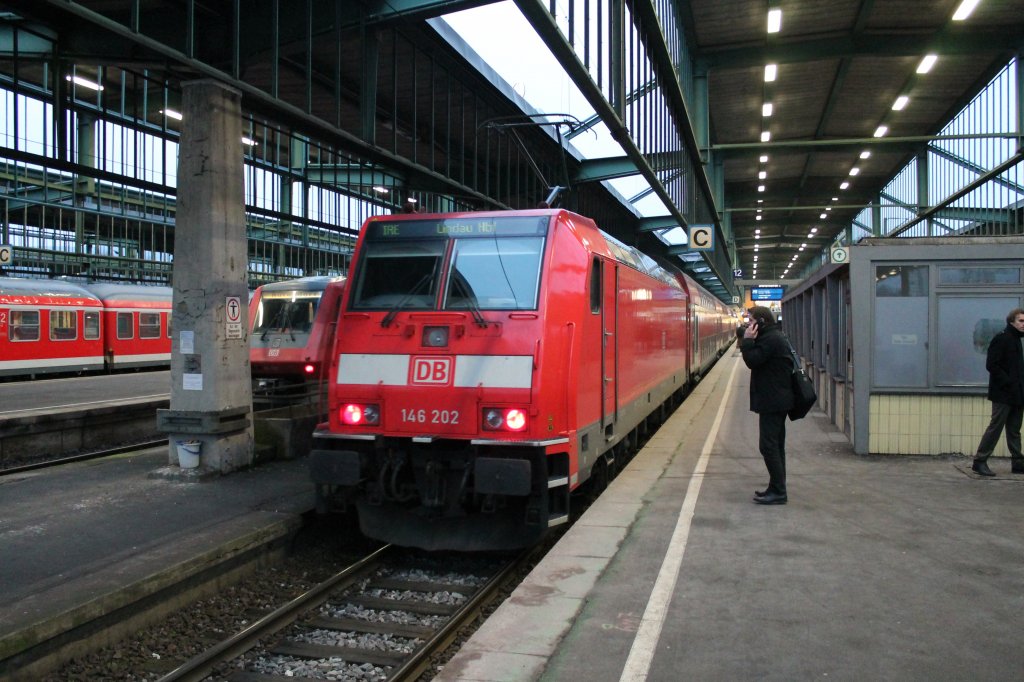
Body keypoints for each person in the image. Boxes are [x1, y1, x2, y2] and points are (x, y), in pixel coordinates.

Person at [740, 306, 794, 505]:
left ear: (761, 322)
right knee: (776, 446)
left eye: (751, 321)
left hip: (774, 400)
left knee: (768, 446)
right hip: (777, 399)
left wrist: (747, 341)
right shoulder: (774, 337)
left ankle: (779, 491)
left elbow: (752, 360)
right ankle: (776, 487)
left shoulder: (770, 340)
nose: (748, 324)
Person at [970, 308, 1024, 477]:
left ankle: (1018, 462)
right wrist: (1008, 382)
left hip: (1017, 393)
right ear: (1011, 322)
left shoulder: (1016, 340)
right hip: (1003, 393)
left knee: (1014, 429)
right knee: (996, 427)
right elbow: (992, 365)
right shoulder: (1002, 339)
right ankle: (980, 461)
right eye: (1021, 321)